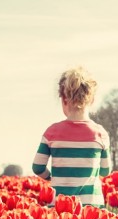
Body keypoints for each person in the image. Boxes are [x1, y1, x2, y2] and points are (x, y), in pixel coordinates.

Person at [32, 67, 111, 208]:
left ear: (63, 100)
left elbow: (37, 167)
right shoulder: (100, 133)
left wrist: (52, 178)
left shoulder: (52, 132)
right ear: (92, 100)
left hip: (60, 205)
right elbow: (106, 171)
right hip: (91, 206)